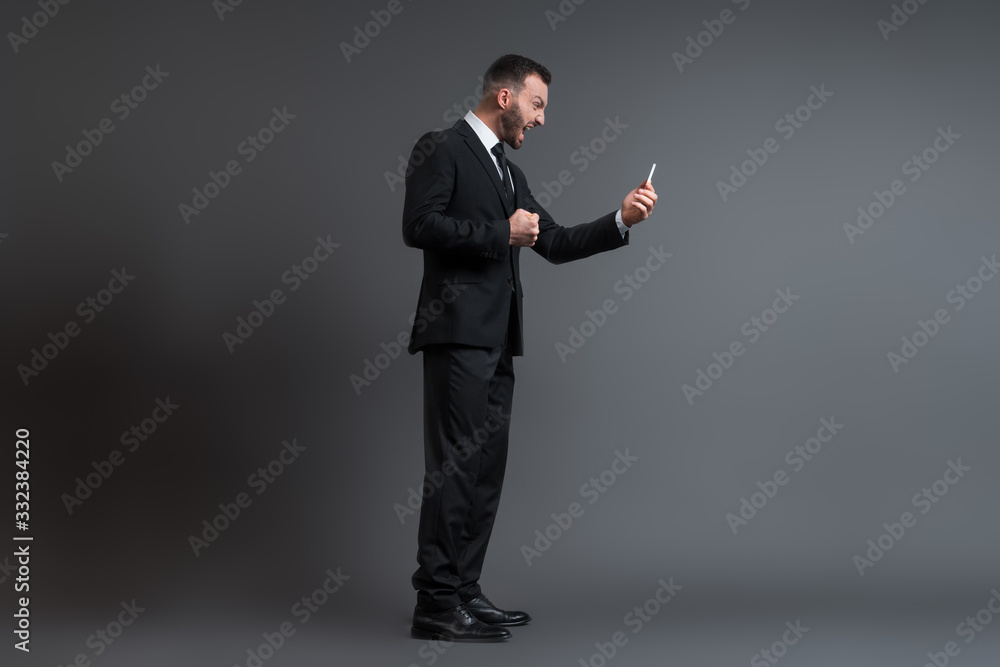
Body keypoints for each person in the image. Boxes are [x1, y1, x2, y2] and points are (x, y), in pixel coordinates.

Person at [402, 54, 657, 642]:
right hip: (456, 336)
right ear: (505, 98)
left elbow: (557, 242)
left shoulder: (509, 174)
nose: (541, 120)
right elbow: (417, 225)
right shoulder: (440, 147)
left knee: (486, 472)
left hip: (498, 344)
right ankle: (436, 607)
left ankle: (464, 591)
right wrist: (500, 235)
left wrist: (620, 219)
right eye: (538, 105)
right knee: (455, 469)